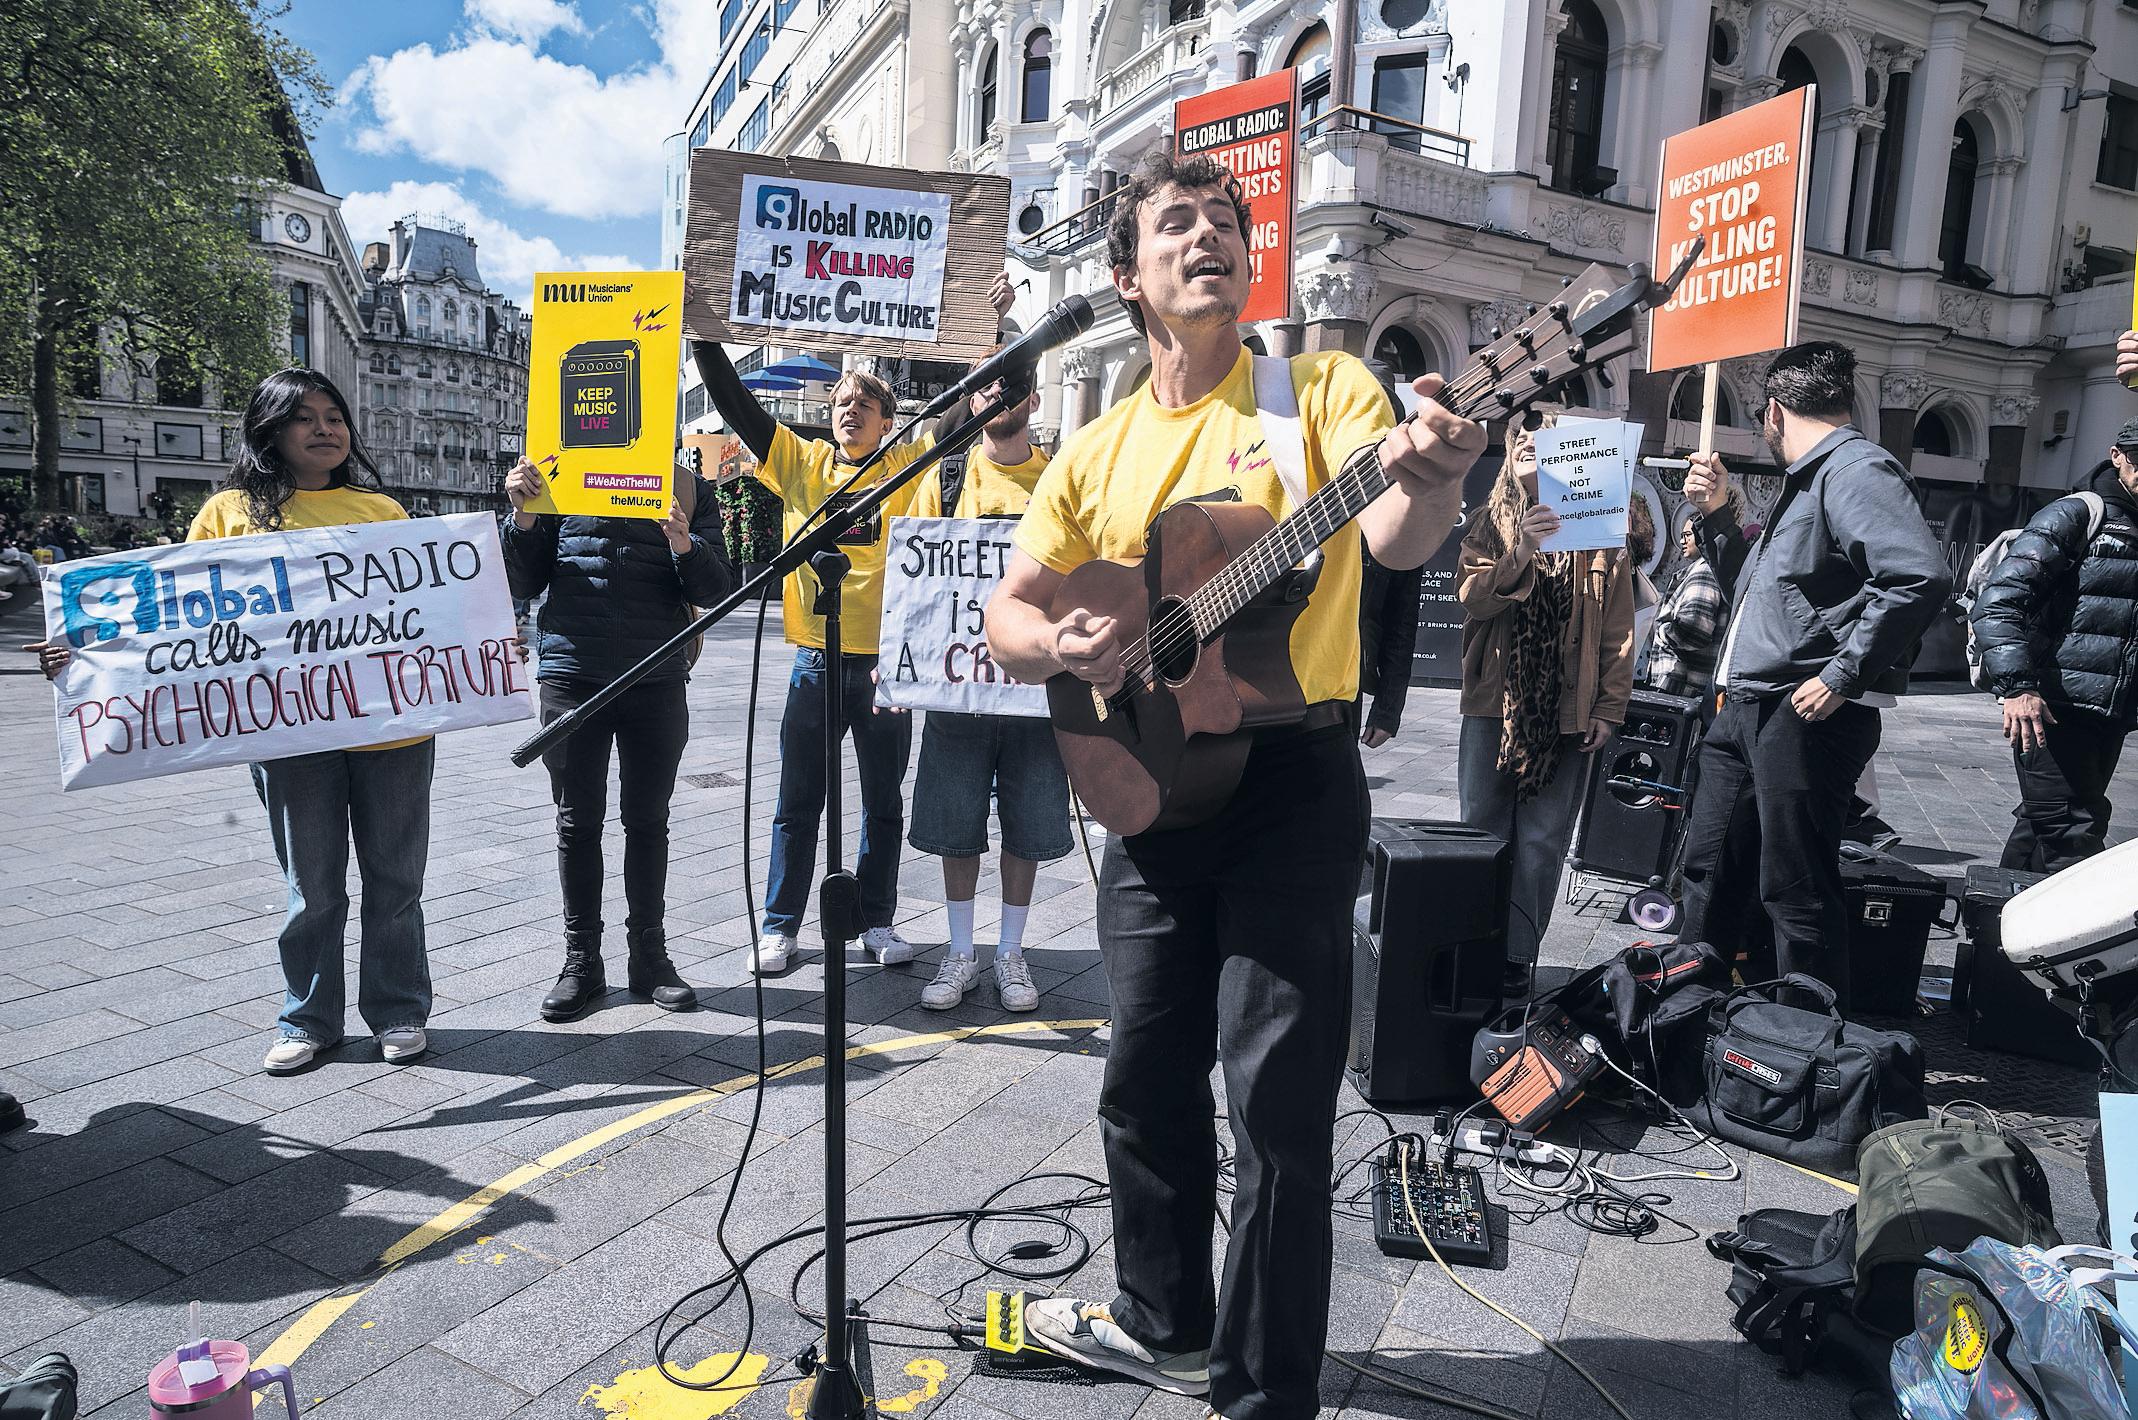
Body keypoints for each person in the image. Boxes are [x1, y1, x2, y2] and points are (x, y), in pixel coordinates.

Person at [984, 150, 1482, 1420]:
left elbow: (1391, 537)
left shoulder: (1316, 390)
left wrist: (1431, 474)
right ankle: (1162, 1320)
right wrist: (1066, 648)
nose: (1205, 235)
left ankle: (1264, 1395)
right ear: (1122, 275)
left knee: (1274, 1112)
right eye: (1173, 222)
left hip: (1287, 789)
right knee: (1141, 1077)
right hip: (1147, 796)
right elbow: (1007, 617)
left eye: (1223, 221)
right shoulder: (1092, 450)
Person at [30, 370, 437, 1073]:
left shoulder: (384, 512)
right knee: (311, 885)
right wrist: (85, 650)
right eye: (304, 417)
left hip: (389, 730)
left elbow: (428, 612)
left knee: (395, 879)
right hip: (286, 733)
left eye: (334, 415)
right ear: (270, 430)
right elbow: (168, 618)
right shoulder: (226, 513)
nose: (325, 428)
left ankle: (398, 1010)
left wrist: (485, 635)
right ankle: (309, 1019)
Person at [699, 278, 1012, 977]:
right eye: (842, 403)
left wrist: (989, 320)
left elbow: (968, 401)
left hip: (886, 666)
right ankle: (780, 927)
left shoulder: (909, 461)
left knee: (881, 803)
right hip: (816, 658)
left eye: (866, 404)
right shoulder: (799, 462)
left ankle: (877, 920)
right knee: (796, 801)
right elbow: (732, 402)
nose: (851, 412)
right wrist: (702, 332)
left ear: (886, 419)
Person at [1676, 342, 1951, 1006]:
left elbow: (1919, 576)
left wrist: (1842, 675)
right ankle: (1690, 1022)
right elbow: (1765, 597)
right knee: (1710, 870)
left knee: (1795, 887)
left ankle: (1807, 1048)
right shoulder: (1810, 479)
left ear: (1773, 411)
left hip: (1800, 714)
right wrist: (1718, 518)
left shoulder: (1854, 471)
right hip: (1748, 705)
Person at [501, 452, 735, 1021]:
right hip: (571, 674)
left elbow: (718, 586)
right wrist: (523, 518)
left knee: (648, 821)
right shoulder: (551, 478)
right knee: (576, 821)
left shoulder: (686, 485)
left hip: (655, 674)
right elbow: (521, 580)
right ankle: (582, 960)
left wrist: (685, 543)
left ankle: (648, 957)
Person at [906, 372, 1070, 1012]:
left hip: (1034, 692)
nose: (997, 398)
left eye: (1012, 387)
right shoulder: (944, 480)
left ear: (1032, 399)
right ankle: (958, 951)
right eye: (984, 387)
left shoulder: (1061, 478)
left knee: (1028, 828)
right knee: (956, 824)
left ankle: (1009, 951)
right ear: (970, 397)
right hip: (960, 687)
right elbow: (914, 585)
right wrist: (899, 665)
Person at [1456, 418, 1634, 991]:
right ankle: (1468, 941)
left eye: (1545, 431)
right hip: (1493, 705)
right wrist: (1523, 549)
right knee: (1481, 830)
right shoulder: (1489, 522)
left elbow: (1617, 630)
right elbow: (1474, 600)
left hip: (1566, 709)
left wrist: (1608, 708)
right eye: (1519, 434)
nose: (1530, 437)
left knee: (1539, 841)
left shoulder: (1602, 530)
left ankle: (1515, 958)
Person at [1970, 418, 2138, 872]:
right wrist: (2019, 688)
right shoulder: (2077, 514)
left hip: (2110, 713)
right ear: (2117, 455)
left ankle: (1994, 930)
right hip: (2051, 705)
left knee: (2043, 828)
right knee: (2073, 833)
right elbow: (1997, 604)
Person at [1646, 512, 1728, 699]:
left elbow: (1693, 632)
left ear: (1703, 534)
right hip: (1686, 687)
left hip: (1682, 687)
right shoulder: (1706, 569)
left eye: (1687, 535)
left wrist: (1659, 630)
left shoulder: (1704, 571)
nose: (1682, 541)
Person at [1357, 546, 1422, 747]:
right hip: (1273, 669)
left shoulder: (1395, 528)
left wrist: (1387, 711)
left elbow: (1401, 624)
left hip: (1341, 692)